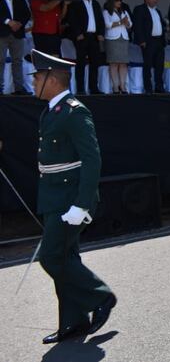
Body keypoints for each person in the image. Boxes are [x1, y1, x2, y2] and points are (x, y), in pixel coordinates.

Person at [30, 49, 117, 344]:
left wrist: (82, 204)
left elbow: (92, 159)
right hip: (55, 196)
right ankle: (73, 321)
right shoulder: (51, 110)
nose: (33, 81)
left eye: (38, 76)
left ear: (53, 80)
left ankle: (100, 297)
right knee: (65, 257)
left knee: (51, 257)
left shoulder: (74, 111)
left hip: (71, 199)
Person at [66, 0, 104, 95]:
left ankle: (94, 88)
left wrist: (100, 33)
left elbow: (100, 20)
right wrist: (78, 33)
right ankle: (81, 89)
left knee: (95, 63)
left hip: (94, 37)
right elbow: (72, 19)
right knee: (81, 63)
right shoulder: (76, 2)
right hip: (82, 36)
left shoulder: (95, 3)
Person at [0, 0, 32, 95]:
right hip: (2, 33)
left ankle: (19, 88)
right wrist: (8, 22)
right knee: (0, 60)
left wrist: (19, 23)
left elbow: (26, 13)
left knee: (18, 61)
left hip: (17, 34)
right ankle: (0, 88)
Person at [132, 0, 166, 94]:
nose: (155, 0)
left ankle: (159, 87)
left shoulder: (157, 11)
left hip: (159, 41)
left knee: (159, 66)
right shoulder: (140, 9)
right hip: (148, 41)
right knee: (148, 65)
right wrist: (141, 40)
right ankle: (148, 88)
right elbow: (137, 26)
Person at [102, 0, 132, 94]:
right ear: (111, 1)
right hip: (112, 39)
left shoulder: (124, 11)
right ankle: (115, 86)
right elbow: (107, 25)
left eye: (120, 0)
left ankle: (122, 86)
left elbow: (130, 24)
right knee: (113, 63)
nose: (119, 2)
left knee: (123, 63)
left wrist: (126, 23)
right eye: (117, 0)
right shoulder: (106, 12)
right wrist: (121, 22)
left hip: (123, 39)